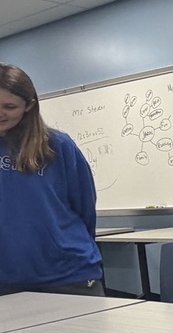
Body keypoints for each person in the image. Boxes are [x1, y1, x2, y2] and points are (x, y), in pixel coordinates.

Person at [0, 63, 105, 297]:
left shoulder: (57, 145)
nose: (0, 113)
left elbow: (84, 205)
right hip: (5, 280)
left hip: (67, 275)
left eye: (9, 106)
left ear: (29, 106)